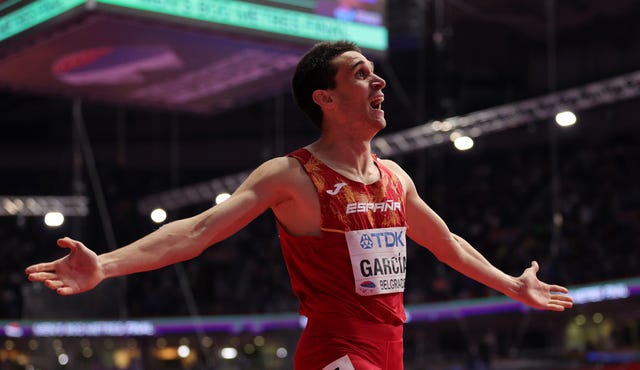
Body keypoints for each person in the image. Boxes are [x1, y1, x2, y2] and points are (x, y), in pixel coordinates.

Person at [26, 40, 573, 370]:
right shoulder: (292, 175)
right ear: (325, 99)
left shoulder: (393, 176)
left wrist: (510, 284)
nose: (378, 79)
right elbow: (198, 231)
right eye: (360, 73)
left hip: (392, 347)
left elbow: (446, 242)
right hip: (336, 348)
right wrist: (108, 264)